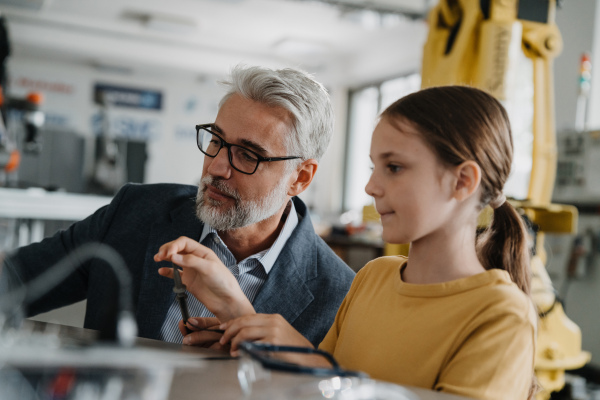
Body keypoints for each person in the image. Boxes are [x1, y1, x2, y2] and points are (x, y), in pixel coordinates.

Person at [158, 85, 537, 400]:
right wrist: (257, 353)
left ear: (463, 181)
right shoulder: (374, 277)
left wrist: (306, 357)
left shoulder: (501, 316)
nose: (372, 186)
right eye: (374, 167)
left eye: (394, 167)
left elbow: (334, 380)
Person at [0, 65, 355, 347]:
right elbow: (16, 279)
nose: (216, 167)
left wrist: (245, 344)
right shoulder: (136, 210)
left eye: (248, 155)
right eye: (216, 140)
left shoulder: (338, 295)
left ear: (301, 178)